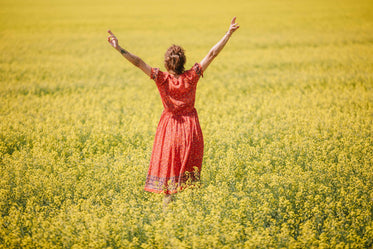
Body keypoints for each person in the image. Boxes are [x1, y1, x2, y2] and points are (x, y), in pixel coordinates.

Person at [107, 17, 239, 206]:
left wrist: (118, 47)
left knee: (169, 182)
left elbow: (137, 62)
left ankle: (167, 216)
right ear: (183, 62)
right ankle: (193, 216)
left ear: (167, 64)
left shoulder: (161, 78)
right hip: (190, 130)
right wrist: (228, 34)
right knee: (191, 182)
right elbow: (211, 54)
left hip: (169, 129)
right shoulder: (192, 76)